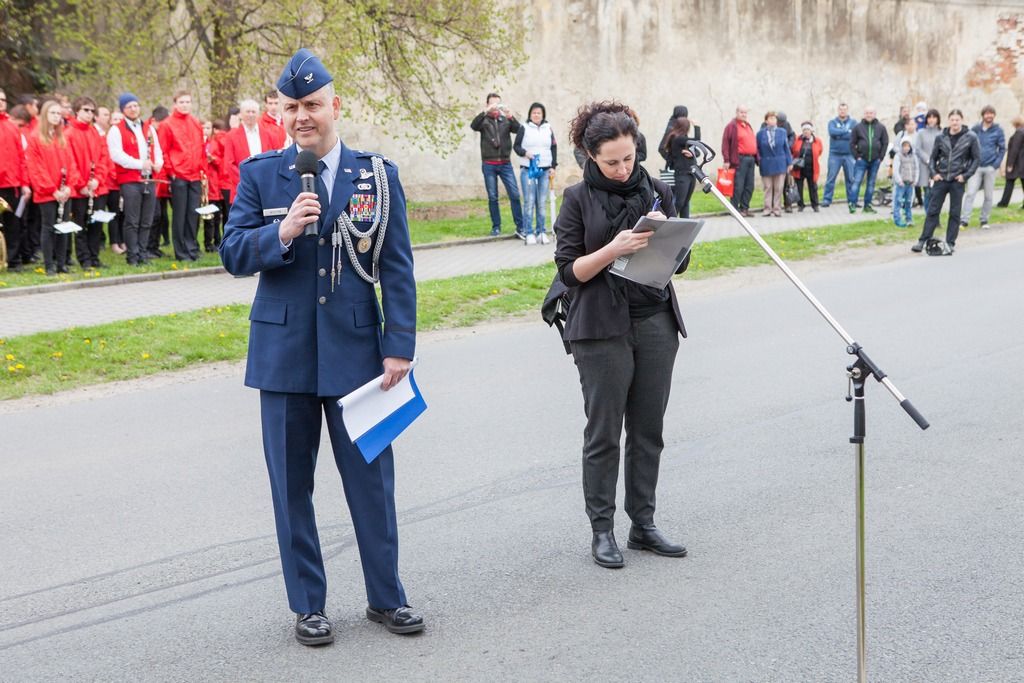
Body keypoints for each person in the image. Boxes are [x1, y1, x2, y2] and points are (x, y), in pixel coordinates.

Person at [219, 48, 423, 646]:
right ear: (281, 112)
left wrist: (399, 344)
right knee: (291, 488)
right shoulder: (261, 175)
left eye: (312, 105)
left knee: (372, 483)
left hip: (360, 356)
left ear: (336, 105)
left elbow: (398, 267)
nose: (302, 116)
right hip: (283, 360)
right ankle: (309, 606)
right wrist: (280, 232)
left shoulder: (376, 176)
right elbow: (232, 252)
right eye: (291, 107)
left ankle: (387, 598)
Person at [553, 100, 689, 569]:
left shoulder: (655, 190)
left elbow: (678, 262)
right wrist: (614, 248)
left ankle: (643, 525)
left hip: (655, 321)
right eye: (611, 161)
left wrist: (673, 242)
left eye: (629, 157)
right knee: (604, 433)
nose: (622, 167)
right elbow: (570, 272)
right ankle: (602, 530)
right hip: (600, 329)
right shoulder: (577, 200)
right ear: (591, 156)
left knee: (649, 430)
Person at [26, 100, 84, 275]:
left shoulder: (61, 137)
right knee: (49, 227)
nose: (56, 116)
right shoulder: (35, 138)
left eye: (59, 114)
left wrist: (69, 187)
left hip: (64, 191)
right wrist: (52, 189)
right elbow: (36, 168)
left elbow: (71, 164)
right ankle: (49, 265)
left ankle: (61, 264)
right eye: (53, 113)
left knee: (64, 226)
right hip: (48, 192)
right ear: (45, 115)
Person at [912, 109, 981, 255]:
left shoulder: (971, 137)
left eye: (957, 119)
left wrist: (965, 176)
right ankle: (923, 240)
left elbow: (976, 159)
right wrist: (934, 173)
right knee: (933, 210)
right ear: (948, 121)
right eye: (952, 119)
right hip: (941, 179)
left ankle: (950, 242)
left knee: (955, 213)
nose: (955, 122)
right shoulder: (941, 137)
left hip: (958, 180)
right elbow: (933, 158)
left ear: (961, 120)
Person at [107, 92, 163, 266]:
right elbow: (116, 155)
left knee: (147, 219)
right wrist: (140, 164)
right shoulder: (116, 130)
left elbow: (157, 149)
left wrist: (158, 163)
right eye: (129, 106)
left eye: (135, 105)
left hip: (148, 178)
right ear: (123, 110)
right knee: (132, 220)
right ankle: (132, 255)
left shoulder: (148, 127)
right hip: (130, 180)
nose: (133, 109)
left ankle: (143, 253)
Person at [158, 90, 205, 261]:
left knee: (193, 214)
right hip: (178, 175)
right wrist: (171, 172)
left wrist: (201, 168)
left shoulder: (195, 122)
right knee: (179, 215)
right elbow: (163, 150)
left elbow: (200, 147)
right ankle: (180, 251)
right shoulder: (167, 124)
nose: (185, 105)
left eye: (188, 102)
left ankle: (191, 247)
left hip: (195, 176)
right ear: (175, 104)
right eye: (182, 102)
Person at [65, 96, 112, 268]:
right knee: (80, 224)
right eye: (86, 110)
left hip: (96, 188)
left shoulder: (95, 133)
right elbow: (70, 163)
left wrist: (97, 180)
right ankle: (84, 258)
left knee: (96, 223)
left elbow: (103, 159)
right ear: (77, 111)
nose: (89, 114)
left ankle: (94, 256)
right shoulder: (69, 133)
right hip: (80, 190)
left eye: (92, 111)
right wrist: (81, 185)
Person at [470, 93, 524, 237]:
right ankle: (496, 227)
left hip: (505, 163)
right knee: (493, 197)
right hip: (489, 164)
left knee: (514, 194)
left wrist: (510, 116)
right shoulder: (484, 120)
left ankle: (521, 227)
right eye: (492, 104)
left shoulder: (504, 120)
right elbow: (473, 126)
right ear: (487, 105)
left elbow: (519, 130)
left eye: (498, 104)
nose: (495, 107)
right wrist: (485, 112)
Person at [222, 98, 287, 205]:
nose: (251, 115)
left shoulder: (269, 135)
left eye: (253, 112)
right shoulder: (231, 136)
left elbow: (275, 160)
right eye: (247, 112)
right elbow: (229, 164)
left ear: (258, 114)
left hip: (265, 187)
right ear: (241, 114)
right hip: (241, 188)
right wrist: (246, 181)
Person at [513, 101, 557, 244]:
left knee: (542, 202)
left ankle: (541, 231)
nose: (536, 115)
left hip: (545, 170)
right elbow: (516, 146)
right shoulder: (524, 128)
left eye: (539, 112)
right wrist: (525, 153)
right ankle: (529, 232)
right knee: (529, 201)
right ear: (530, 114)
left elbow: (553, 147)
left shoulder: (548, 128)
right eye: (534, 113)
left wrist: (553, 166)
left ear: (542, 114)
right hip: (528, 170)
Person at [960, 105, 1005, 230]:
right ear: (983, 115)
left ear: (994, 115)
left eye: (991, 113)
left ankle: (984, 219)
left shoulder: (998, 130)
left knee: (988, 196)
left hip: (990, 167)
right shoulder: (975, 129)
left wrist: (995, 165)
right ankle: (964, 220)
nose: (989, 116)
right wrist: (969, 163)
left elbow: (1002, 149)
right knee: (970, 193)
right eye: (987, 113)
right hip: (976, 167)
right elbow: (968, 145)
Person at [0, 87, 30, 271]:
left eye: (3, 100)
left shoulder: (12, 126)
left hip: (12, 184)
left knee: (13, 224)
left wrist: (25, 183)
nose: (1, 102)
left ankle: (13, 260)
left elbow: (21, 158)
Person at [848, 106, 888, 213]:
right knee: (856, 182)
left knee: (871, 184)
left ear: (875, 114)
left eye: (871, 113)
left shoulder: (881, 127)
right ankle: (852, 203)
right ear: (864, 114)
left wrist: (881, 157)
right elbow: (852, 143)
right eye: (867, 113)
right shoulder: (858, 127)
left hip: (875, 160)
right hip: (862, 160)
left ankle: (867, 205)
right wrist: (857, 156)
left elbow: (885, 143)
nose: (869, 115)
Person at [721, 105, 757, 217]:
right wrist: (726, 160)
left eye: (745, 113)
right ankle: (735, 209)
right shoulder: (731, 126)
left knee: (749, 185)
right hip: (739, 159)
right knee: (738, 186)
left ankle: (745, 208)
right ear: (736, 112)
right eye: (742, 112)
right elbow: (725, 144)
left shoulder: (747, 126)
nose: (744, 114)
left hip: (751, 159)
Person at [661, 115, 699, 217]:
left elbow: (697, 151)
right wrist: (697, 126)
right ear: (685, 127)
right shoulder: (677, 139)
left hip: (690, 173)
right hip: (682, 175)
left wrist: (692, 153)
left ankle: (684, 225)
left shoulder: (683, 139)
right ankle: (669, 222)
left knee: (685, 203)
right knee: (680, 202)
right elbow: (697, 140)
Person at [756, 111, 792, 217]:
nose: (773, 120)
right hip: (766, 163)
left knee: (779, 187)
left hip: (780, 163)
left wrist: (789, 162)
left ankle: (777, 209)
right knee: (768, 187)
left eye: (774, 118)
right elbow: (757, 148)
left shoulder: (782, 132)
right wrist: (759, 160)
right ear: (766, 121)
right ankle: (767, 209)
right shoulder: (760, 134)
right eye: (770, 118)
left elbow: (786, 148)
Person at [822, 103, 855, 208]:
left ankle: (852, 200)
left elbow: (853, 135)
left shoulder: (853, 122)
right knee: (831, 178)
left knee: (851, 178)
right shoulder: (832, 122)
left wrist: (839, 134)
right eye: (841, 110)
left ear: (847, 110)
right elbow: (832, 132)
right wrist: (846, 131)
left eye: (844, 110)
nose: (842, 111)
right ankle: (827, 200)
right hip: (834, 155)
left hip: (849, 155)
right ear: (838, 110)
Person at [791, 121, 822, 212]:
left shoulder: (817, 141)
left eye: (808, 129)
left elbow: (820, 151)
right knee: (799, 187)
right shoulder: (797, 139)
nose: (806, 131)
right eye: (804, 130)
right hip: (799, 168)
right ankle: (800, 205)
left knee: (813, 187)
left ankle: (815, 205)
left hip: (812, 168)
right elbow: (794, 151)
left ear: (811, 130)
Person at [915, 109, 942, 213]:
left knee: (937, 193)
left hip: (938, 166)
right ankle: (928, 216)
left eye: (934, 117)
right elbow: (918, 148)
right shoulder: (921, 133)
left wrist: (938, 160)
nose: (931, 120)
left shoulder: (941, 132)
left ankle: (936, 216)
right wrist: (928, 159)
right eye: (929, 117)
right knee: (928, 192)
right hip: (925, 166)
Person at [997, 115, 1024, 209]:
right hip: (1021, 164)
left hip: (1018, 164)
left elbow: (1015, 149)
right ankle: (1003, 203)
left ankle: (1003, 203)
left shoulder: (1019, 132)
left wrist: (1010, 164)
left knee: (1009, 183)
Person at [892, 138, 919, 228]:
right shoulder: (898, 156)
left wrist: (915, 180)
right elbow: (895, 170)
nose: (906, 148)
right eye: (904, 146)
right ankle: (897, 219)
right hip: (901, 183)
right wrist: (899, 180)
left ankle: (909, 219)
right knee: (898, 201)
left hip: (910, 183)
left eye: (908, 146)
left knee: (908, 202)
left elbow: (916, 168)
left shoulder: (913, 157)